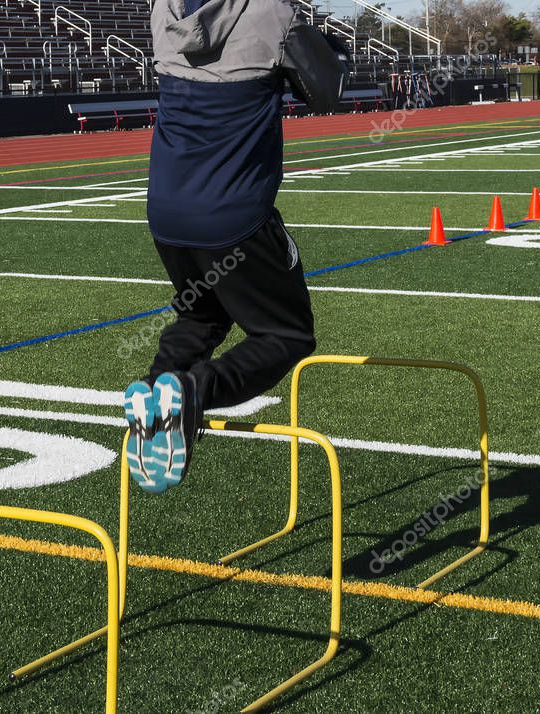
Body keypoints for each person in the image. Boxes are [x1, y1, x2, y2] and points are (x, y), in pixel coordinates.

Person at [123, 0, 337, 494]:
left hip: (167, 210)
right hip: (234, 216)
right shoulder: (274, 14)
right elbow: (326, 92)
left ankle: (158, 397)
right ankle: (195, 392)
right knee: (287, 336)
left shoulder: (163, 11)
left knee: (202, 316)